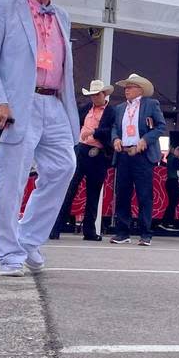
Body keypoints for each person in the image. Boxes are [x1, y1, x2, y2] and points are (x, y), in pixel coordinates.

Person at [0, 0, 79, 276]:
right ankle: (8, 254)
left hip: (54, 102)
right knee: (11, 180)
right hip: (17, 104)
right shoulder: (4, 6)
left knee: (64, 167)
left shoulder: (61, 15)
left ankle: (29, 237)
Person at [50, 80, 115, 241]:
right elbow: (73, 121)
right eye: (92, 95)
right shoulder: (86, 108)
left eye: (97, 94)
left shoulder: (111, 111)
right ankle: (55, 227)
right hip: (82, 150)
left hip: (98, 153)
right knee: (70, 189)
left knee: (93, 194)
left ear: (104, 95)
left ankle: (89, 231)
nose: (94, 97)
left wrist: (94, 132)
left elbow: (110, 131)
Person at [108, 74, 167, 246]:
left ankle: (145, 233)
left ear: (140, 90)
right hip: (124, 154)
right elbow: (114, 128)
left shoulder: (151, 104)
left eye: (130, 87)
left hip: (142, 155)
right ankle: (122, 232)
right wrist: (115, 139)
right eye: (126, 87)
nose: (127, 90)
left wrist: (145, 140)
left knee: (144, 195)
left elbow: (161, 126)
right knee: (122, 194)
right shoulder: (119, 108)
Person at [158, 143, 179, 232]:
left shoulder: (170, 158)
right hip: (173, 182)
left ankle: (167, 222)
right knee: (173, 203)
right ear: (173, 149)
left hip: (172, 182)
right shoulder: (174, 159)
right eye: (178, 150)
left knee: (172, 203)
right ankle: (167, 222)